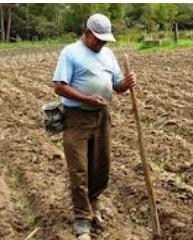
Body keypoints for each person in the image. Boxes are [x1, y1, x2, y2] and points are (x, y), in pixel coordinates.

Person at [52, 13, 136, 240]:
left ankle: (93, 205)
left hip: (101, 117)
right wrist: (86, 99)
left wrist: (125, 84)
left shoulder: (108, 55)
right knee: (79, 169)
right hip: (76, 118)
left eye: (105, 40)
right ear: (87, 33)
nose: (101, 44)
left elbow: (116, 86)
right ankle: (81, 219)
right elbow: (59, 87)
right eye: (98, 39)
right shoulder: (70, 52)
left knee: (101, 167)